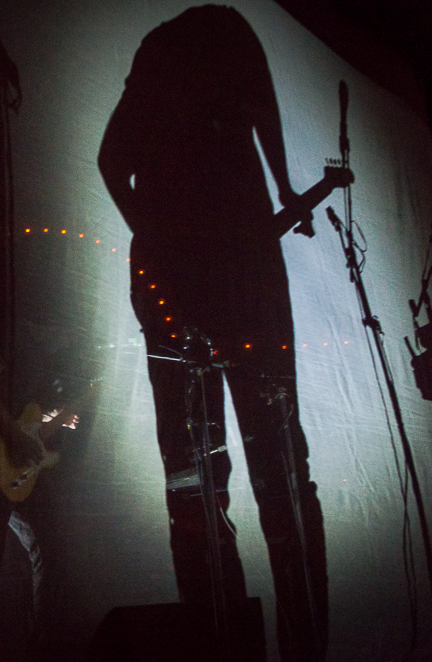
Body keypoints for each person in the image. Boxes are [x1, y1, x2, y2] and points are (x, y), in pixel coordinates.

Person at [97, 6, 327, 661]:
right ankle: (305, 646)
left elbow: (111, 160)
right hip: (244, 281)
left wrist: (155, 238)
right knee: (281, 472)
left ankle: (217, 645)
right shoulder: (227, 38)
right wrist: (285, 188)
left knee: (194, 478)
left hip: (178, 289)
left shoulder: (164, 55)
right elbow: (264, 114)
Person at [0, 331, 79, 662]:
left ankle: (41, 651)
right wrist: (16, 438)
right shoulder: (14, 324)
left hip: (9, 462)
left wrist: (53, 417)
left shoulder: (45, 342)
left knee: (48, 553)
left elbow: (22, 409)